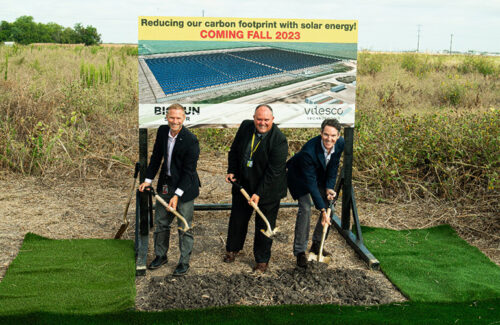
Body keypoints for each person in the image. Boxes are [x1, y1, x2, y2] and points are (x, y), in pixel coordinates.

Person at [224, 104, 288, 273]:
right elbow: (234, 151)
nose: (262, 123)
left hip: (269, 190)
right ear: (254, 118)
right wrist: (232, 170)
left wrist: (258, 193)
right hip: (243, 184)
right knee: (238, 219)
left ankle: (261, 260)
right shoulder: (246, 126)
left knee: (263, 225)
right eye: (259, 119)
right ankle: (232, 249)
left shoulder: (279, 140)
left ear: (272, 120)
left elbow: (273, 172)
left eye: (266, 120)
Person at [138, 103, 200, 276]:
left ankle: (184, 261)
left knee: (184, 225)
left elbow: (189, 172)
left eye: (178, 118)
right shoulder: (162, 131)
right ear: (167, 117)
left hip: (185, 187)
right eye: (172, 117)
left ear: (184, 118)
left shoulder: (191, 140)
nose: (175, 121)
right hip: (166, 183)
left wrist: (177, 196)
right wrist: (148, 180)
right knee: (161, 222)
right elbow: (156, 156)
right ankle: (160, 255)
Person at [286, 118, 344, 268]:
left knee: (331, 204)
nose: (329, 139)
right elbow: (311, 184)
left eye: (333, 136)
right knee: (305, 208)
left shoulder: (340, 144)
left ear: (338, 136)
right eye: (326, 135)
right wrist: (323, 210)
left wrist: (329, 188)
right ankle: (300, 252)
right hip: (299, 176)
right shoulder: (309, 151)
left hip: (318, 175)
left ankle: (317, 245)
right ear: (321, 133)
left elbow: (333, 167)